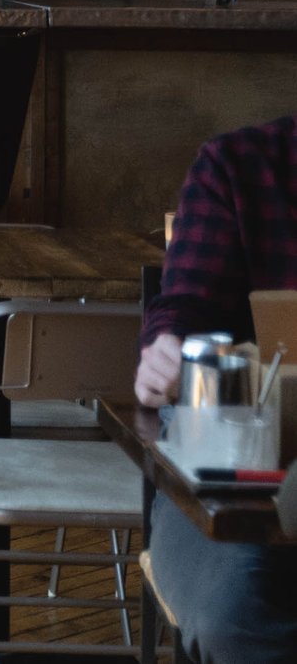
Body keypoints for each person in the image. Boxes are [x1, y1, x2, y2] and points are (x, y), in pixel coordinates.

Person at [135, 113, 297, 663]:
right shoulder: (240, 165)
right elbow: (187, 304)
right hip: (241, 469)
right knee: (235, 616)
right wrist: (166, 346)